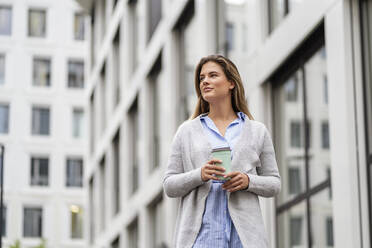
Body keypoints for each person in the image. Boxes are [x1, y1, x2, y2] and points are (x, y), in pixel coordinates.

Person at [163, 54, 281, 248]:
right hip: (200, 240)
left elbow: (274, 184)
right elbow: (169, 185)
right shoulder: (187, 131)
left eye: (212, 75)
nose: (205, 81)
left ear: (231, 83)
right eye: (202, 78)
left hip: (244, 240)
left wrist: (247, 181)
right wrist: (199, 174)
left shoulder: (257, 131)